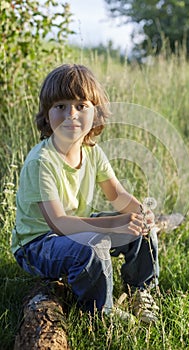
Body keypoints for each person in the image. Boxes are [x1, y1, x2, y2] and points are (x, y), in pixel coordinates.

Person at [11, 63, 160, 323]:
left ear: (96, 113)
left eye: (81, 106)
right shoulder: (42, 161)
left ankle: (140, 290)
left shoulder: (92, 151)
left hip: (76, 230)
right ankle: (100, 313)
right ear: (47, 114)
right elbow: (58, 223)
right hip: (38, 245)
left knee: (140, 229)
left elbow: (117, 194)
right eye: (61, 106)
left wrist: (140, 214)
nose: (71, 114)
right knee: (92, 246)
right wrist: (114, 223)